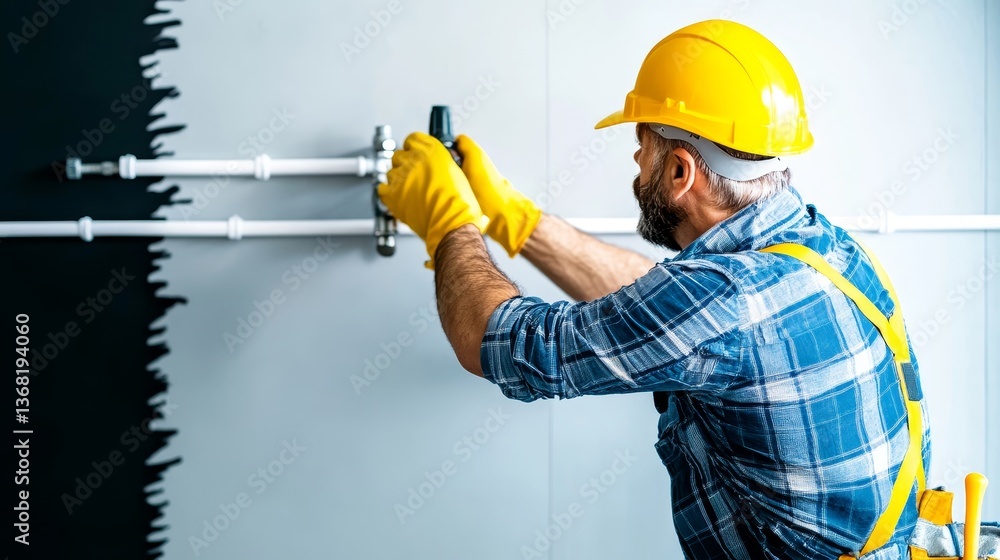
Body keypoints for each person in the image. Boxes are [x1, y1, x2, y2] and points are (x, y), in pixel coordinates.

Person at [378, 19, 931, 560]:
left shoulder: (721, 304)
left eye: (643, 144)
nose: (636, 160)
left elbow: (491, 339)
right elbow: (663, 309)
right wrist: (515, 220)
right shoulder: (822, 247)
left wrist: (448, 222)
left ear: (680, 172)